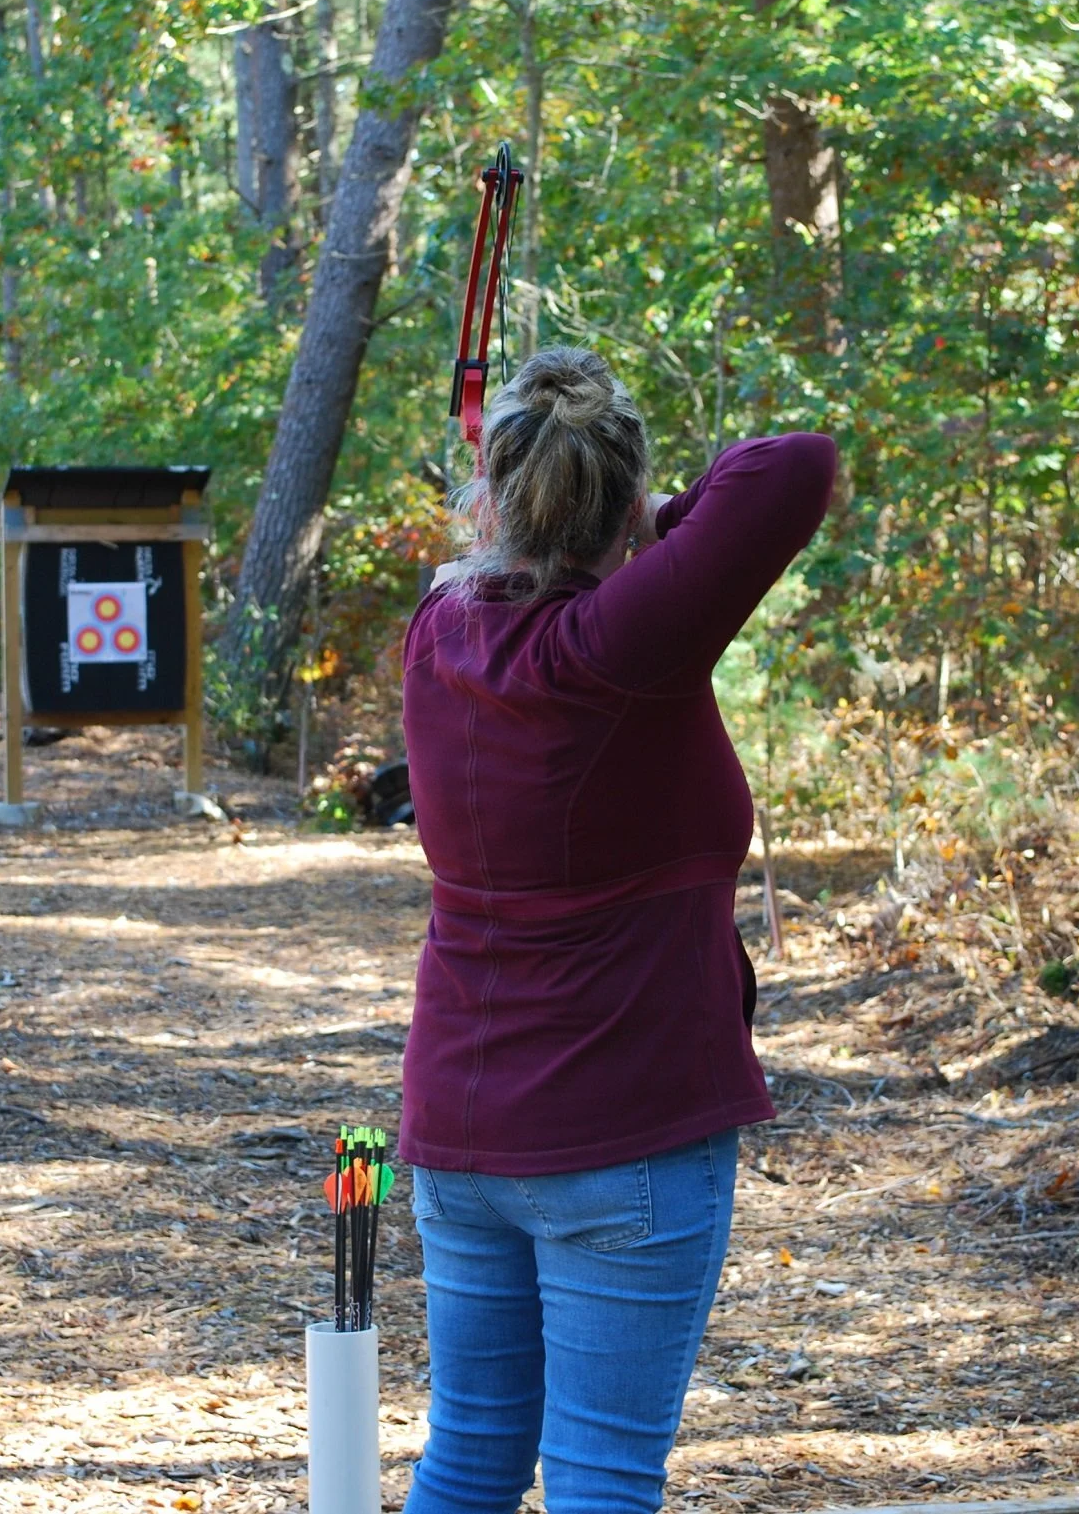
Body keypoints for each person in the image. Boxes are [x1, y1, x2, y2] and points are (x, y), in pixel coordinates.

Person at [396, 345, 836, 1514]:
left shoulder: (435, 642)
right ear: (616, 502)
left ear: (500, 499)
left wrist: (596, 512)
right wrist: (661, 517)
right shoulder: (619, 645)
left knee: (468, 1459)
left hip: (461, 1127)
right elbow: (795, 465)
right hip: (622, 1127)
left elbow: (498, 569)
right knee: (598, 1479)